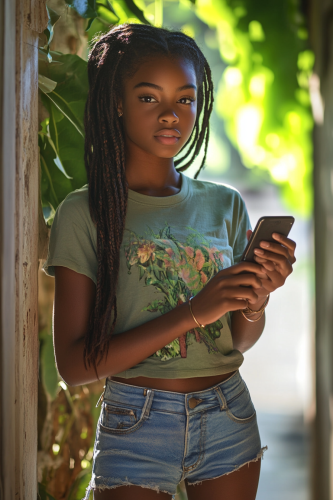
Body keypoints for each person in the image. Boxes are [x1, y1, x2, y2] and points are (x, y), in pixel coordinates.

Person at [42, 23, 296, 500]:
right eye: (148, 98)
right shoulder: (85, 211)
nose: (170, 115)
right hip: (136, 422)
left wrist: (256, 300)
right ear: (117, 103)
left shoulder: (225, 204)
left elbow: (237, 338)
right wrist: (195, 311)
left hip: (228, 414)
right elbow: (75, 365)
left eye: (185, 98)